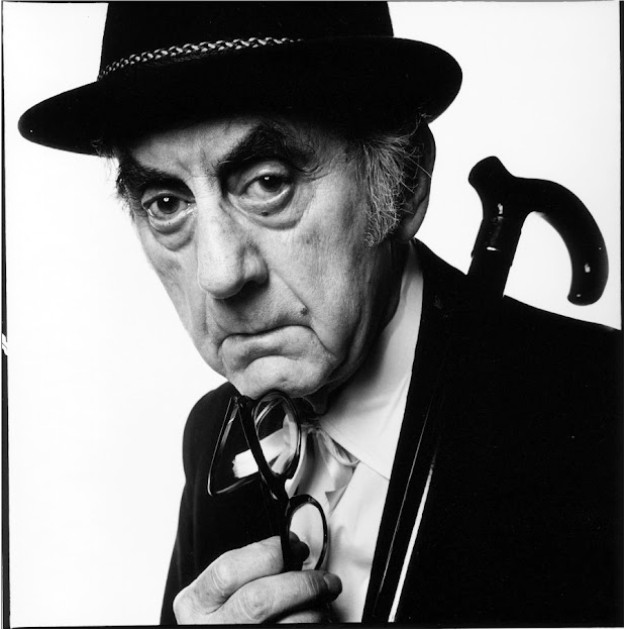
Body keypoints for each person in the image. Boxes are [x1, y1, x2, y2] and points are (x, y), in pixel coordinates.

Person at [17, 2, 621, 625]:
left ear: (403, 184)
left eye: (267, 182)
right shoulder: (213, 436)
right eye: (166, 203)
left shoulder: (605, 411)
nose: (219, 274)